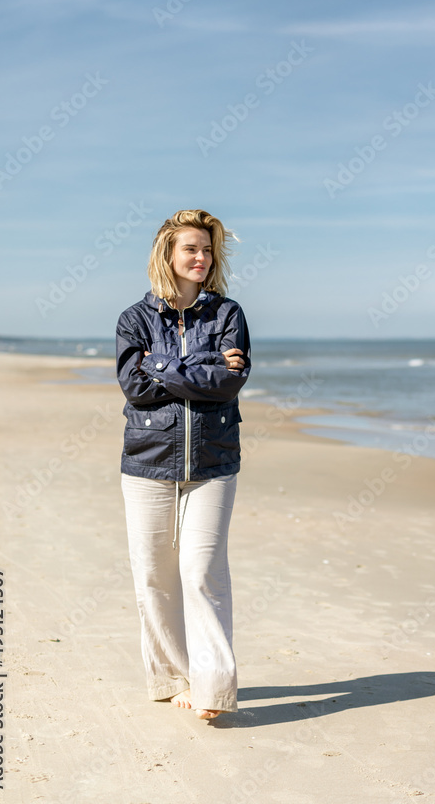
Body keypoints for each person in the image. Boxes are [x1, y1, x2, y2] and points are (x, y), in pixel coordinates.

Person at [115, 208, 251, 720]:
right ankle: (174, 679)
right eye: (190, 248)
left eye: (207, 249)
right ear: (167, 255)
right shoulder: (135, 319)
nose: (201, 257)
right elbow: (136, 388)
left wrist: (165, 364)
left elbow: (230, 382)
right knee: (154, 575)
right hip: (147, 461)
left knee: (201, 573)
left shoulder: (228, 314)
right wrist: (204, 365)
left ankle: (213, 689)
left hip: (213, 461)